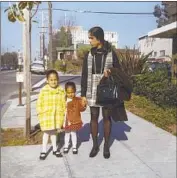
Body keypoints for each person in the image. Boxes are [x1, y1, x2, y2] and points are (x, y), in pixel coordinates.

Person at [81, 26, 132, 159]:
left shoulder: (111, 53)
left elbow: (118, 70)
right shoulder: (89, 54)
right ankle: (95, 145)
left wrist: (110, 72)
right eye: (89, 37)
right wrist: (82, 95)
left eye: (91, 38)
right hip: (92, 88)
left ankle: (106, 146)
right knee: (93, 117)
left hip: (106, 88)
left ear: (99, 38)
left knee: (107, 117)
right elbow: (84, 75)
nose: (89, 40)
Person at [36, 69, 66, 160]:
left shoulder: (61, 91)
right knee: (46, 133)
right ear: (47, 80)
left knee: (54, 133)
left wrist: (64, 114)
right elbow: (39, 103)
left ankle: (55, 149)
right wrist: (40, 113)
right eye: (51, 80)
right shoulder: (44, 91)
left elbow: (64, 103)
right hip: (46, 116)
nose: (53, 82)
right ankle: (44, 150)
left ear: (58, 80)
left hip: (57, 116)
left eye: (55, 79)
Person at [63, 82, 87, 154]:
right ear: (66, 92)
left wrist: (84, 104)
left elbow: (81, 109)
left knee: (73, 133)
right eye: (68, 92)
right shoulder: (63, 100)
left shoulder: (77, 100)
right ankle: (66, 146)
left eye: (72, 92)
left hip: (74, 120)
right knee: (67, 134)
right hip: (66, 120)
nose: (70, 94)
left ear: (75, 91)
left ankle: (74, 147)